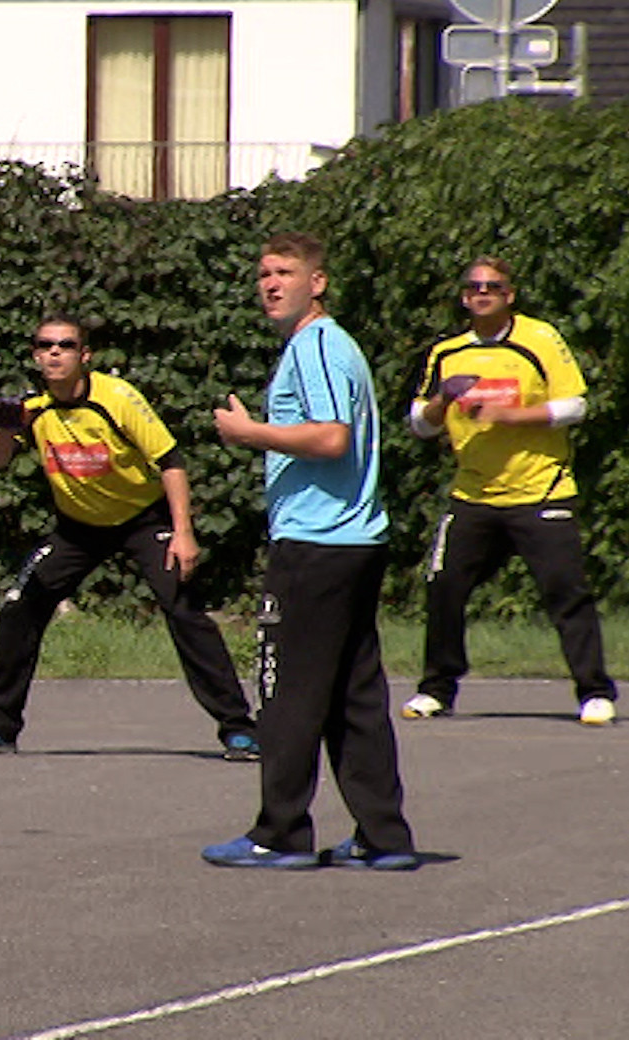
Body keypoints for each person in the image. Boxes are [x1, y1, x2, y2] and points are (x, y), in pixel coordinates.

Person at [0, 316, 259, 759]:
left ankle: (237, 728)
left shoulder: (116, 399)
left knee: (183, 608)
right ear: (36, 355)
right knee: (20, 608)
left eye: (66, 345)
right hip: (77, 528)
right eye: (46, 345)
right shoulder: (32, 407)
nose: (55, 353)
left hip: (142, 519)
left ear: (85, 356)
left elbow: (171, 461)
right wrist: (4, 428)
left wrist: (184, 534)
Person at [204, 232, 416, 871]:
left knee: (286, 691)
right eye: (264, 273)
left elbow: (330, 438)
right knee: (354, 694)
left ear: (317, 282)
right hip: (351, 544)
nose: (271, 283)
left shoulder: (317, 344)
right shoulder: (324, 345)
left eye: (286, 272)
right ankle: (384, 836)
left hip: (318, 546)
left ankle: (280, 833)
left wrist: (249, 433)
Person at [400, 256, 618, 727]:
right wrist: (442, 401)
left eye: (493, 287)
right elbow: (418, 424)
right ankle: (437, 689)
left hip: (541, 490)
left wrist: (510, 416)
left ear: (510, 294)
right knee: (443, 587)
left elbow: (576, 405)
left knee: (565, 590)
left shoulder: (539, 339)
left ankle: (594, 691)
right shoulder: (447, 352)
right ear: (464, 297)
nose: (483, 294)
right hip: (473, 495)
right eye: (474, 287)